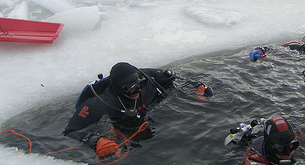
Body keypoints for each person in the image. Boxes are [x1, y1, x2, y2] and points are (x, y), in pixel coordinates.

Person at [63, 62, 212, 158]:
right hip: (122, 130)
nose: (136, 91)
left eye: (138, 85)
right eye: (129, 88)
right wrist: (95, 141)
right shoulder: (98, 103)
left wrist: (198, 89)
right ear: (117, 89)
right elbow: (71, 131)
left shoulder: (148, 80)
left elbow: (175, 79)